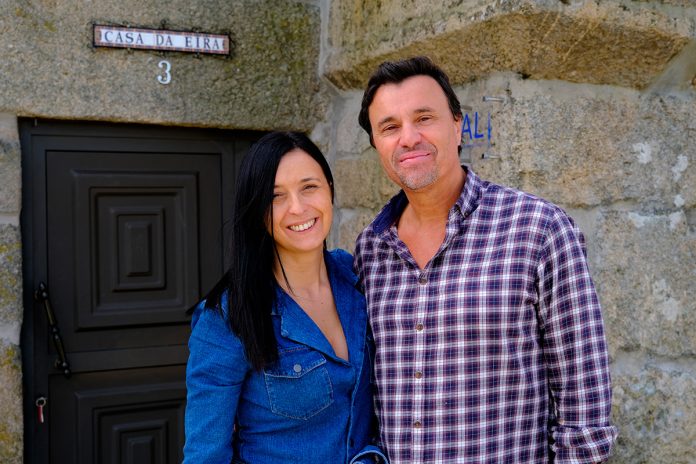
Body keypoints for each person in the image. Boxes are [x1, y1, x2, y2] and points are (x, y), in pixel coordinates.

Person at [354, 56, 618, 463]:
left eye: (424, 118)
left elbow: (584, 413)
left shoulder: (539, 229)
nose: (408, 138)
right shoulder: (370, 250)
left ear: (457, 125)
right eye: (390, 127)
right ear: (376, 144)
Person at [184, 131, 387, 463]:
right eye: (276, 196)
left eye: (309, 187)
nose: (297, 207)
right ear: (258, 211)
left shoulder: (357, 279)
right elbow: (205, 455)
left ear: (329, 189)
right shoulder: (228, 316)